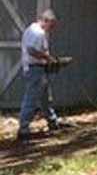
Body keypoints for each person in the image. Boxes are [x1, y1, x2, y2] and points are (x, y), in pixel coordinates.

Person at [17, 9, 64, 143]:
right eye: (51, 25)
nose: (52, 29)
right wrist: (48, 58)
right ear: (46, 21)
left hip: (37, 68)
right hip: (35, 69)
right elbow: (31, 50)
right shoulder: (38, 33)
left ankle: (52, 121)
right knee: (31, 99)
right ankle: (23, 129)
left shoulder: (31, 29)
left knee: (45, 98)